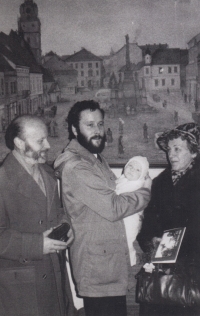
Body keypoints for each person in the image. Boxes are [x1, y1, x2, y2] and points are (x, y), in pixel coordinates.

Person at [54, 100, 152, 316]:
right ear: (74, 129)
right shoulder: (78, 166)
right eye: (89, 125)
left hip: (106, 264)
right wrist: (145, 190)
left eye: (100, 124)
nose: (97, 131)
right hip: (97, 269)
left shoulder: (94, 159)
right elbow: (114, 207)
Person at [0, 115, 74, 316]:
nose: (48, 145)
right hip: (22, 289)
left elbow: (59, 212)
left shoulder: (47, 173)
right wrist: (36, 245)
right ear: (19, 143)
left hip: (54, 277)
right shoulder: (2, 179)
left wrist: (66, 227)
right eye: (40, 140)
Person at [137, 122, 200, 316]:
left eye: (177, 149)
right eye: (169, 149)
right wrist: (152, 240)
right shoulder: (159, 183)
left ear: (194, 153)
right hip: (161, 273)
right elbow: (147, 223)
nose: (170, 154)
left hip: (192, 272)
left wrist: (176, 244)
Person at [115, 156, 149, 266]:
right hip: (121, 217)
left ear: (142, 175)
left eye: (138, 169)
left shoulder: (137, 185)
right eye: (130, 165)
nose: (132, 169)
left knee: (127, 240)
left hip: (130, 219)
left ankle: (131, 259)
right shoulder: (122, 180)